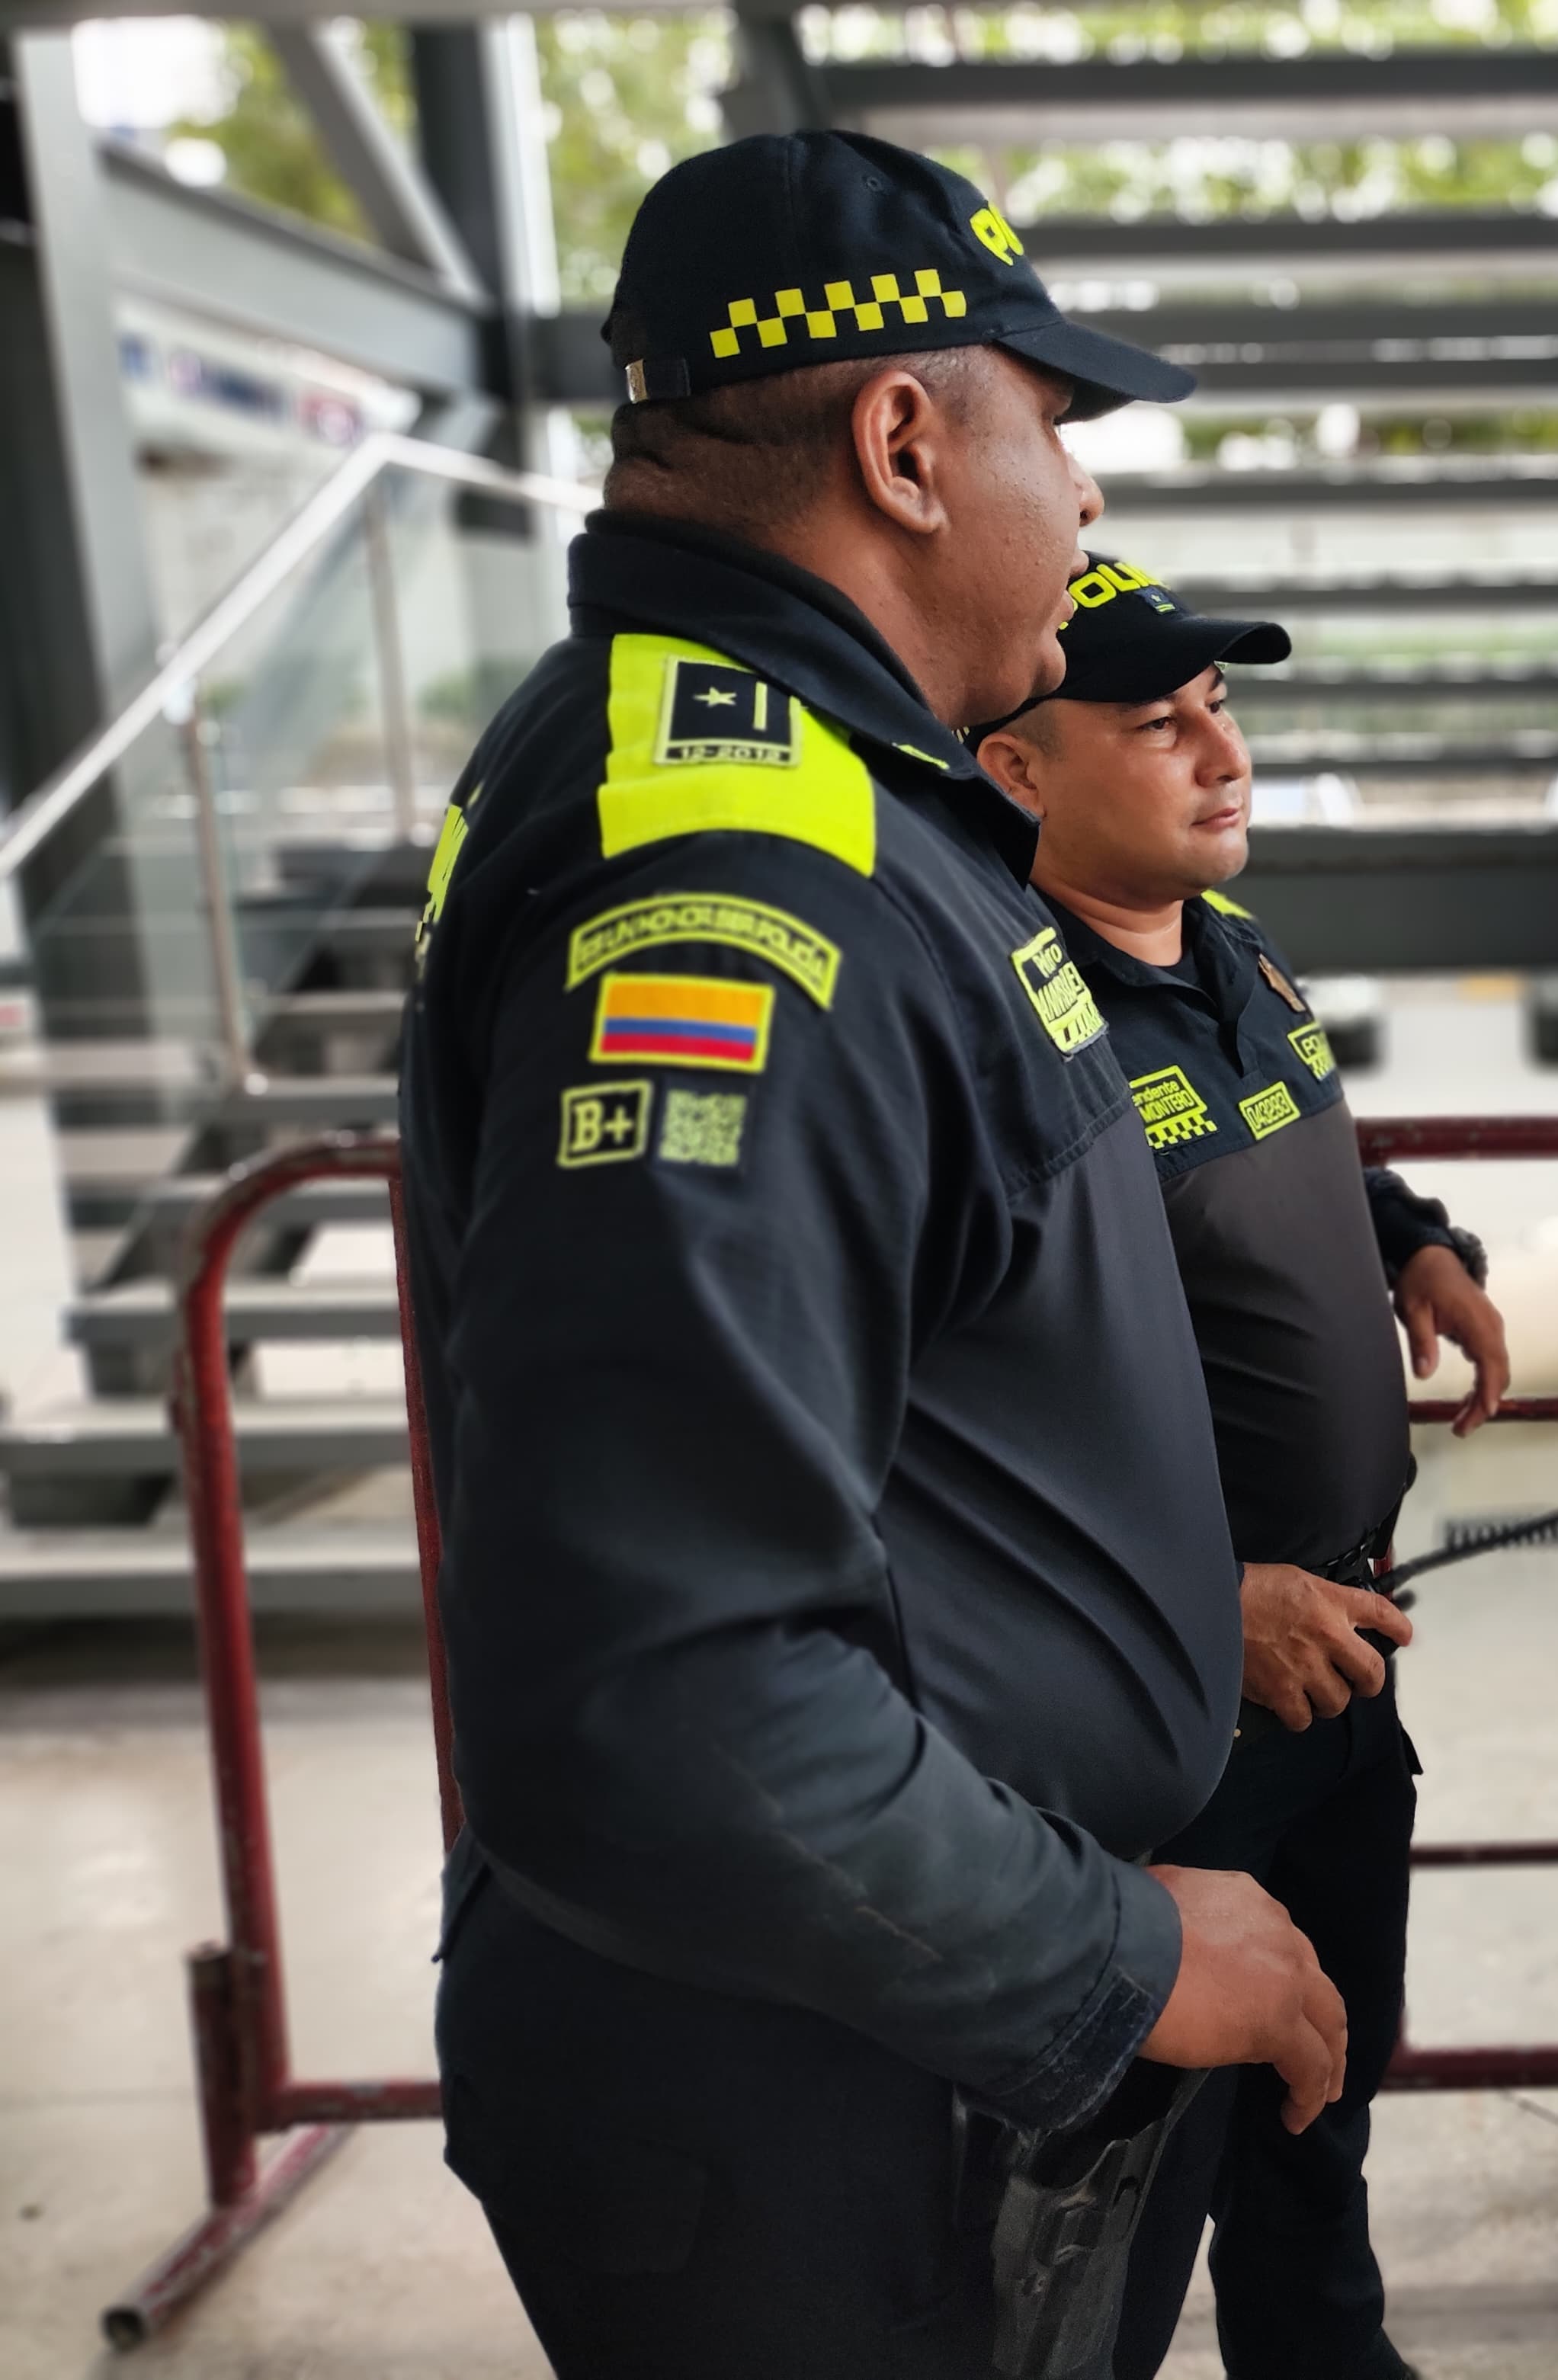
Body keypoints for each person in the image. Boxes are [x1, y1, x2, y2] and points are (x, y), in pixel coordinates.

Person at [403, 133, 1348, 2378]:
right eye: (1058, 428)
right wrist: (1117, 1956)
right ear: (907, 440)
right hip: (815, 2099)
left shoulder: (819, 782)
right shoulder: (749, 870)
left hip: (867, 2048)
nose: (1089, 507)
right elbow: (660, 1689)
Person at [972, 559, 1515, 2380]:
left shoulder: (1233, 956)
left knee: (1318, 2091)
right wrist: (1207, 1608)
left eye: (1225, 709)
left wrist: (1414, 1237)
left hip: (1337, 1680)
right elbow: (935, 1434)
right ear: (1019, 771)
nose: (1222, 752)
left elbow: (1305, 1150)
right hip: (1161, 1720)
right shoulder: (997, 1029)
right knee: (1113, 2169)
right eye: (1159, 721)